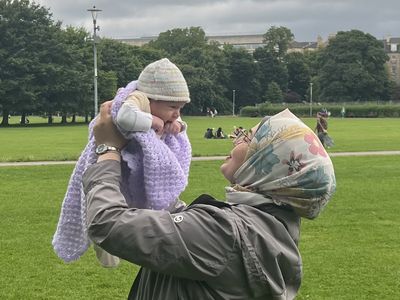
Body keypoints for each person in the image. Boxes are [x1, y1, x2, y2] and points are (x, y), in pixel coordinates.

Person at [83, 107, 336, 299]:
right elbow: (179, 228)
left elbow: (107, 223)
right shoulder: (274, 228)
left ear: (267, 164)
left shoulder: (225, 233)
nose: (235, 141)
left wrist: (107, 149)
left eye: (246, 138)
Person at [52, 58, 192, 267]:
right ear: (152, 99)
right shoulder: (136, 99)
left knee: (142, 207)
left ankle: (115, 236)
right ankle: (102, 238)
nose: (177, 113)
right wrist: (152, 121)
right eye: (173, 106)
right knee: (109, 203)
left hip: (139, 168)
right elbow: (126, 118)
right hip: (118, 161)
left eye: (180, 108)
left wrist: (179, 126)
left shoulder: (164, 110)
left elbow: (177, 122)